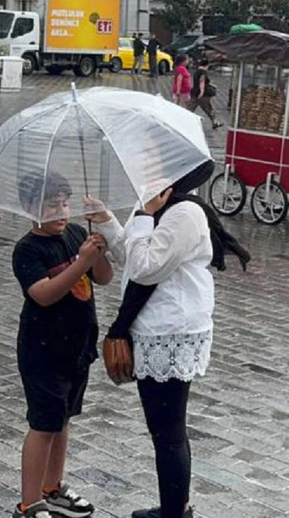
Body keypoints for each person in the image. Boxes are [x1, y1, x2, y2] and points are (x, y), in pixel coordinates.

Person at [89, 161, 249, 518]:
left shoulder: (185, 212)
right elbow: (132, 257)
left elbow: (148, 268)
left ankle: (175, 512)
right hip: (153, 327)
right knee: (162, 428)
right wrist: (108, 221)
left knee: (168, 430)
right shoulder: (153, 206)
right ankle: (176, 507)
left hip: (171, 330)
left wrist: (145, 214)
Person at [11, 172, 113, 518]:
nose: (61, 211)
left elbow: (104, 277)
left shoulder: (74, 234)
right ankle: (29, 502)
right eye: (51, 205)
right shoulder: (28, 249)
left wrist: (97, 250)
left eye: (64, 203)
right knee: (43, 423)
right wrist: (82, 261)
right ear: (30, 209)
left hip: (77, 345)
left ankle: (52, 488)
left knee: (63, 418)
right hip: (42, 349)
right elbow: (43, 294)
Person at [187, 57, 223, 129]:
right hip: (203, 95)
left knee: (190, 109)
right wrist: (202, 91)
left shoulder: (196, 72)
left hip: (194, 93)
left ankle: (183, 121)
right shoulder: (203, 72)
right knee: (209, 109)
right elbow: (202, 81)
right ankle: (214, 122)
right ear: (206, 65)